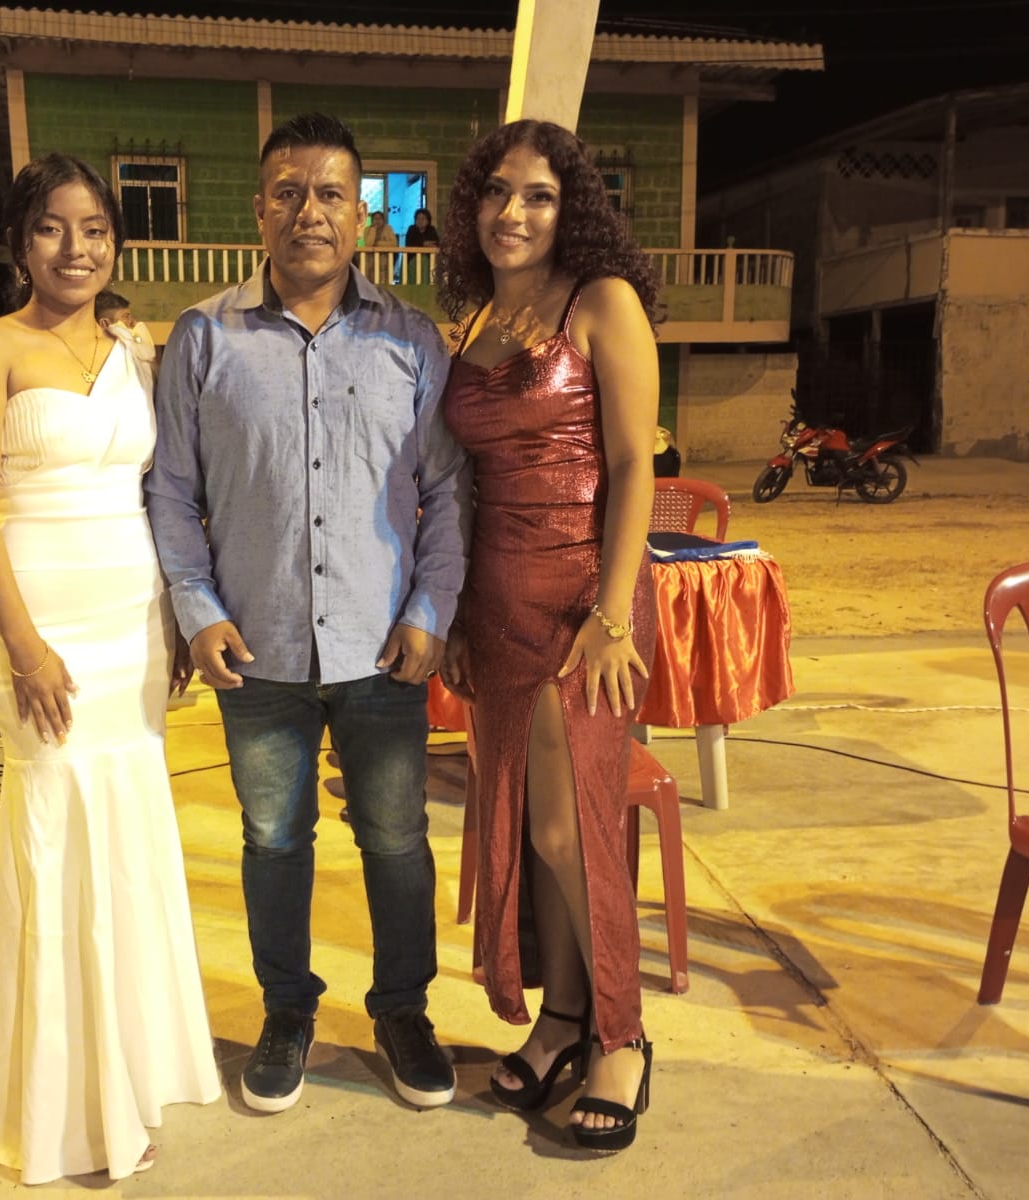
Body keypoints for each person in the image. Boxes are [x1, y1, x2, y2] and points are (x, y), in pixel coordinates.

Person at [146, 112, 470, 1115]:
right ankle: (287, 1010)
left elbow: (448, 489)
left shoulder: (410, 341)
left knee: (396, 839)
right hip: (259, 647)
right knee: (274, 841)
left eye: (331, 193)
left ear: (362, 218)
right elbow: (171, 491)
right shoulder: (203, 338)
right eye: (288, 192)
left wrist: (432, 607)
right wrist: (196, 608)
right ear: (259, 209)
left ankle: (402, 1010)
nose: (309, 212)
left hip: (383, 646)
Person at [0, 151, 219, 1184]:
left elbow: (156, 492)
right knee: (55, 827)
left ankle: (131, 1064)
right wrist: (21, 643)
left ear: (114, 243)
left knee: (128, 826)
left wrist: (176, 620)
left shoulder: (130, 348)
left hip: (131, 615)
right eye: (53, 228)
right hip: (42, 617)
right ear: (20, 242)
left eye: (95, 229)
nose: (76, 248)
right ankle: (63, 1103)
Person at [435, 118, 663, 1154]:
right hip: (495, 600)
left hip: (583, 603)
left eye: (537, 195)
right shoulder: (474, 318)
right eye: (495, 191)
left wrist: (612, 614)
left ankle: (623, 1033)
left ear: (571, 210)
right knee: (529, 829)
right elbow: (465, 479)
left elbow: (635, 463)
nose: (512, 212)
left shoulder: (600, 302)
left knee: (574, 828)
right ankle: (564, 1017)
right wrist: (450, 610)